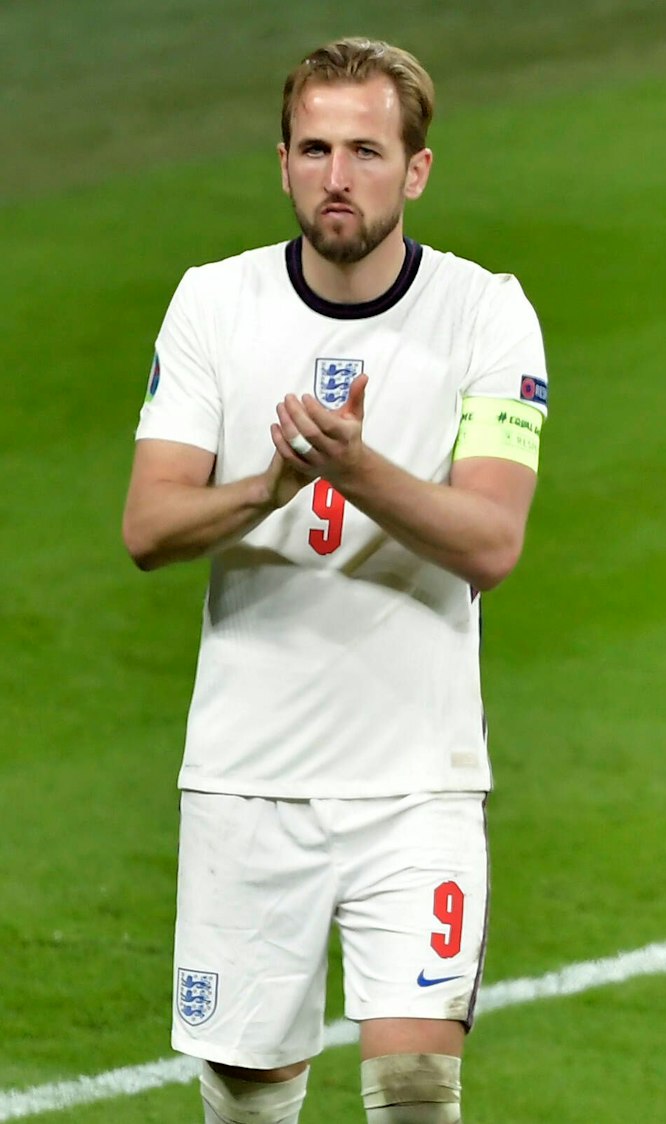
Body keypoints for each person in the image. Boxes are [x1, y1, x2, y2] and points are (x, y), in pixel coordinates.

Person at [122, 37, 548, 1124]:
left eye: (366, 148)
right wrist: (269, 483)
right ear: (282, 164)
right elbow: (150, 523)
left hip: (417, 780)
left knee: (415, 1088)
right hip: (245, 778)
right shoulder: (214, 305)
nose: (337, 174)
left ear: (416, 170)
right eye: (314, 147)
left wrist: (355, 469)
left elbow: (492, 540)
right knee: (249, 1101)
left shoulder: (484, 313)